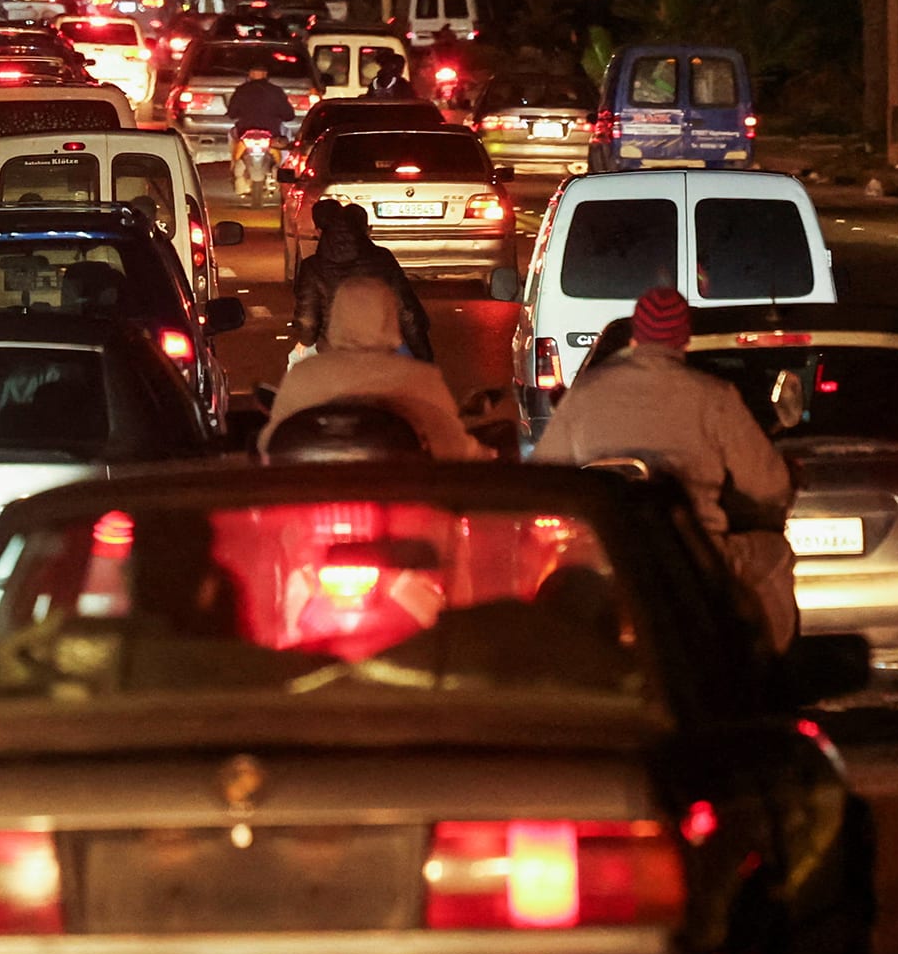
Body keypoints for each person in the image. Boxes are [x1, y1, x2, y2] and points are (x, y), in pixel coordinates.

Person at [531, 287, 797, 645]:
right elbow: (767, 484)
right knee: (775, 554)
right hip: (692, 555)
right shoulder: (713, 397)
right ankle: (768, 674)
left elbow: (544, 474)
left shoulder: (586, 393)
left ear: (637, 334)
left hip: (602, 553)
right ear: (684, 336)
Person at [261, 277, 484, 461]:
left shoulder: (304, 375)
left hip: (312, 497)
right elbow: (453, 445)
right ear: (390, 318)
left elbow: (269, 444)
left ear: (336, 317)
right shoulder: (420, 378)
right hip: (402, 498)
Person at [292, 200, 435, 362]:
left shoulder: (313, 267)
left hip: (334, 353)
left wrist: (305, 342)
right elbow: (408, 312)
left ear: (319, 231)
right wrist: (424, 357)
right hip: (383, 349)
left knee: (296, 360)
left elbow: (307, 320)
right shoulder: (383, 258)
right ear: (365, 230)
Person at [226, 62, 296, 199]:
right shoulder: (276, 91)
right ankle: (284, 167)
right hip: (273, 134)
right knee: (287, 143)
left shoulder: (242, 90)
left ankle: (234, 165)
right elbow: (289, 115)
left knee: (231, 135)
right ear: (265, 75)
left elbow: (232, 114)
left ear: (251, 74)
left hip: (245, 133)